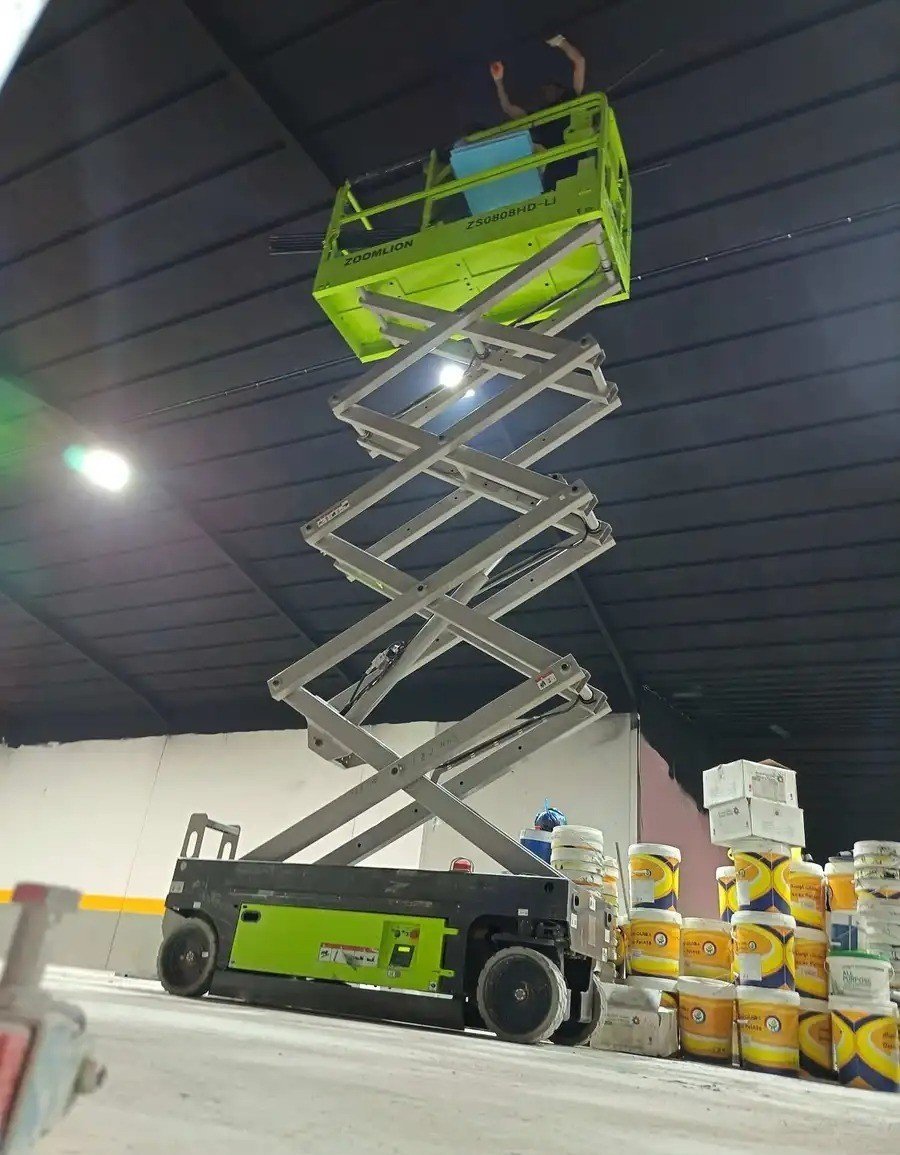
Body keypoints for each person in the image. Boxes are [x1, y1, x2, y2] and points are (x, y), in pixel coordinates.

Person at [489, 35, 587, 186]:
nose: (546, 91)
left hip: (575, 163)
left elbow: (579, 61)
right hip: (556, 171)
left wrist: (561, 42)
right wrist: (498, 81)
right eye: (544, 89)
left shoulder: (570, 100)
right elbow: (508, 107)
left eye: (550, 87)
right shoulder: (539, 118)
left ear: (558, 89)